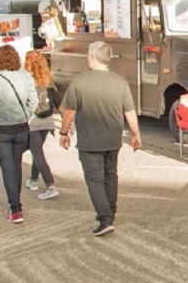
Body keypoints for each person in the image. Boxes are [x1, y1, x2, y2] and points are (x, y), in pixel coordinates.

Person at [58, 41, 141, 236]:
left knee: (94, 179)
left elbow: (69, 111)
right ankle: (110, 212)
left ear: (93, 58)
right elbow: (129, 110)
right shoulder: (119, 81)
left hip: (89, 140)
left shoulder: (80, 81)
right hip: (113, 139)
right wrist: (136, 134)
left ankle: (105, 218)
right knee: (110, 175)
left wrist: (64, 133)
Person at [0, 45, 38, 224]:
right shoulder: (25, 76)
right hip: (21, 127)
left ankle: (15, 208)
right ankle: (17, 203)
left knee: (7, 168)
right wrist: (26, 115)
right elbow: (34, 101)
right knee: (16, 165)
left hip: (1, 129)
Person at [24, 50, 61, 200]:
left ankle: (50, 185)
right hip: (47, 121)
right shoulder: (48, 80)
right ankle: (32, 179)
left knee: (37, 153)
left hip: (33, 121)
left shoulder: (27, 80)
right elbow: (58, 102)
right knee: (36, 150)